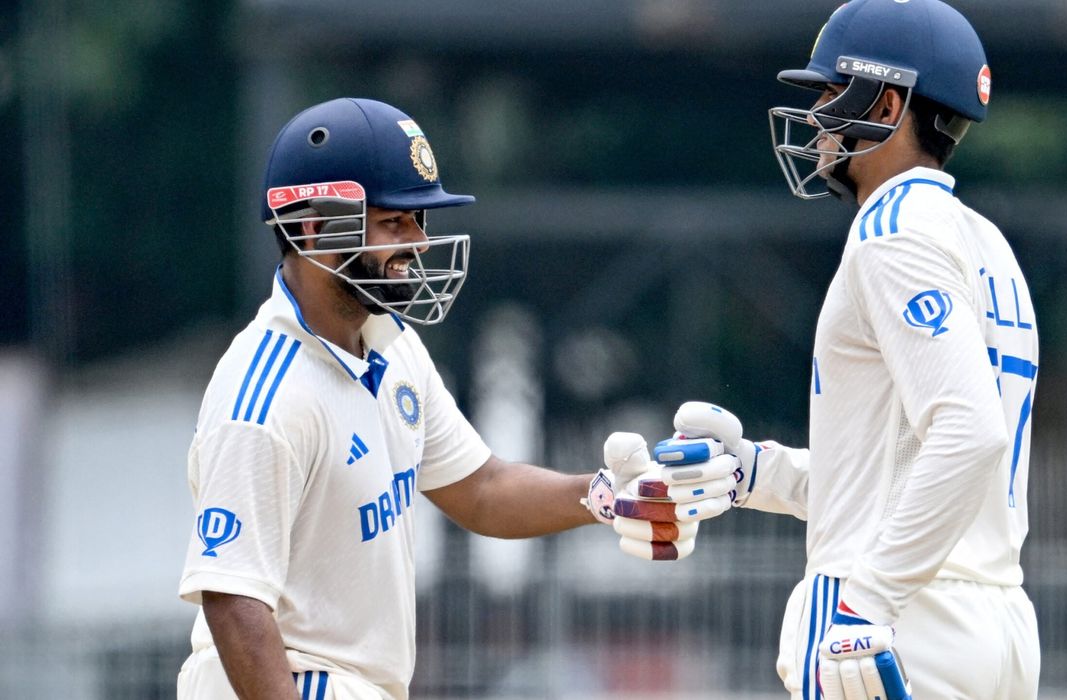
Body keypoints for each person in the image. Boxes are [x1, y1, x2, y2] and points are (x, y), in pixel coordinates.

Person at [175, 97, 729, 700]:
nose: (418, 242)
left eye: (418, 220)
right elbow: (233, 598)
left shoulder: (393, 348)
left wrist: (603, 495)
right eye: (394, 222)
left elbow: (482, 490)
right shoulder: (264, 399)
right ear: (313, 227)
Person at [653, 1, 1040, 698]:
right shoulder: (985, 242)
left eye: (833, 93)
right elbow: (898, 469)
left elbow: (969, 432)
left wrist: (868, 601)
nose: (816, 117)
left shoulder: (893, 230)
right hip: (996, 620)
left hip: (899, 615)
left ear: (888, 105)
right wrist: (758, 472)